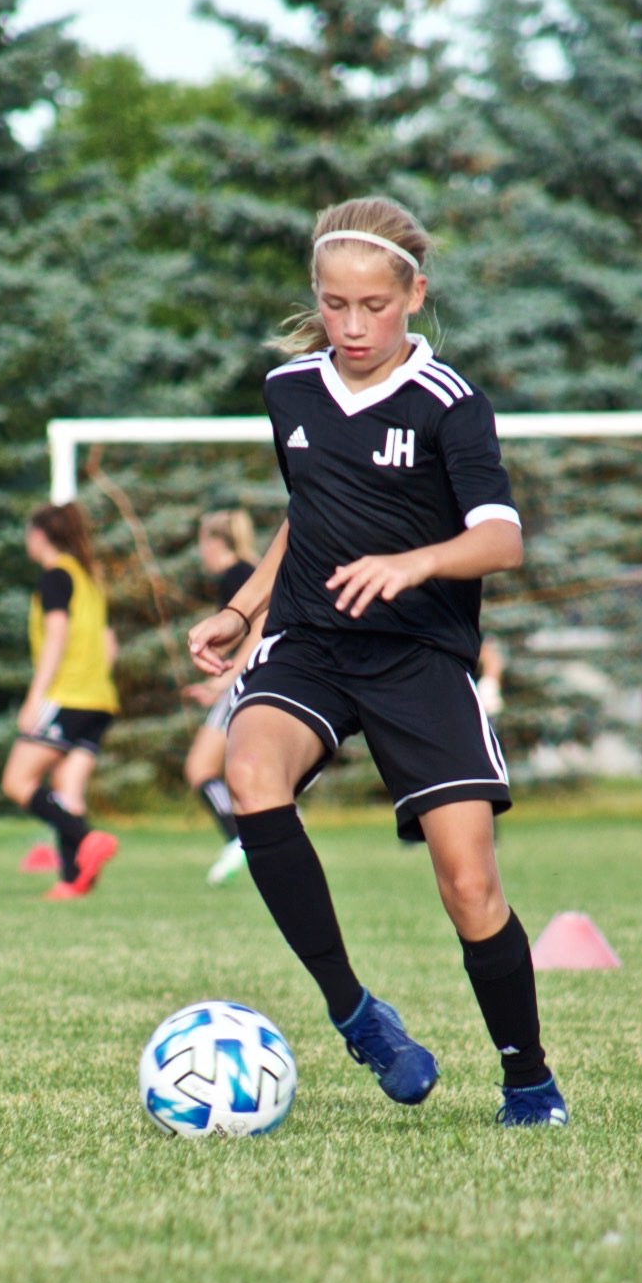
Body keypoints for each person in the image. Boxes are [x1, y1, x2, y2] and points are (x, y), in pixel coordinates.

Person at [185, 195, 566, 1128]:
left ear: (415, 295)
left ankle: (528, 1080)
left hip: (418, 655)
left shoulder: (449, 404)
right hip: (310, 643)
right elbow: (305, 518)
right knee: (247, 770)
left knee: (469, 883)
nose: (353, 326)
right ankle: (356, 1014)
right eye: (335, 305)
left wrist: (414, 563)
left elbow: (502, 539)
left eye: (375, 306)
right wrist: (242, 611)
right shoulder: (291, 393)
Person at [0, 503, 121, 900]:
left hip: (67, 695)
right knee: (68, 787)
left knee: (17, 782)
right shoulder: (88, 578)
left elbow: (56, 638)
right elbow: (109, 643)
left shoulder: (55, 577)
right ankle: (73, 882)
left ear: (38, 536)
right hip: (99, 698)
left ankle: (86, 839)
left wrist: (36, 697)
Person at [181, 509, 264, 886]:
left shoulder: (238, 576)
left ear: (214, 543)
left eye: (202, 543)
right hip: (256, 677)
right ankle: (254, 836)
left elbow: (261, 626)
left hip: (248, 679)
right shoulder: (250, 570)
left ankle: (240, 839)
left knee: (200, 768)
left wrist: (228, 677)